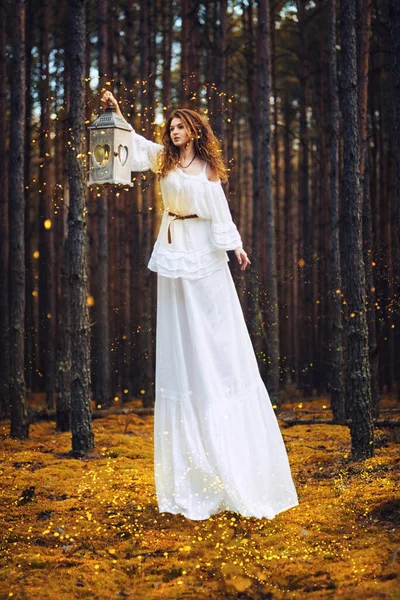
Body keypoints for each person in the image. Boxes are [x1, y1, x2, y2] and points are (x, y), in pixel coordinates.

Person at [100, 91, 298, 521]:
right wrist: (115, 114)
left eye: (179, 126)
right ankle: (190, 476)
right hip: (172, 252)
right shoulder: (164, 162)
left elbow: (219, 211)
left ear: (193, 131)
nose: (173, 131)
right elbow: (132, 142)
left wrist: (236, 248)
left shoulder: (207, 169)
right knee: (179, 338)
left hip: (204, 253)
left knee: (215, 334)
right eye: (169, 127)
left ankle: (230, 449)